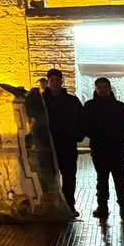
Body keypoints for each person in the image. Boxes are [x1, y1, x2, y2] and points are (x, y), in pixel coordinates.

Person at [83, 77, 124, 221]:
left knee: (120, 180)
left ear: (109, 87)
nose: (102, 89)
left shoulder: (119, 106)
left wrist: (118, 135)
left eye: (105, 86)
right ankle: (102, 206)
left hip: (116, 148)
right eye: (99, 86)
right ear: (96, 89)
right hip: (99, 148)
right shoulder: (90, 106)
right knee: (102, 179)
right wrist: (97, 135)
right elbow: (85, 125)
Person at [39, 68, 85, 216]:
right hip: (47, 145)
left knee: (69, 175)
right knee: (48, 176)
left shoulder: (71, 101)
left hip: (67, 145)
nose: (55, 83)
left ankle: (68, 205)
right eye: (52, 80)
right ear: (48, 82)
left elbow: (81, 119)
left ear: (61, 81)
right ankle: (49, 204)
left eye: (57, 80)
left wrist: (76, 135)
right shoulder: (40, 101)